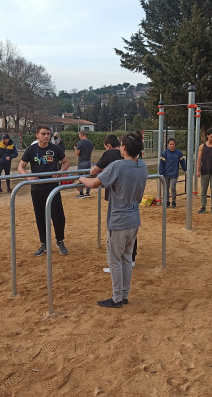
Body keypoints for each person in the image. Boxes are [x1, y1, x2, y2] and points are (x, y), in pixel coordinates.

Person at [79, 130, 148, 308]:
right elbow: (139, 196)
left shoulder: (119, 165)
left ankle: (117, 297)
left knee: (115, 260)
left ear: (123, 148)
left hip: (119, 220)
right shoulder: (143, 167)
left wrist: (81, 178)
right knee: (126, 257)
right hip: (134, 219)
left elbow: (94, 183)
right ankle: (124, 295)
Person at [17, 125, 70, 256]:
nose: (46, 136)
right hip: (37, 188)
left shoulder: (55, 148)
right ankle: (44, 244)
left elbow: (66, 162)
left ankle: (60, 241)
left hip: (52, 187)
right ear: (37, 135)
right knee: (40, 217)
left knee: (58, 217)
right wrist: (28, 177)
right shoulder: (31, 149)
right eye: (43, 134)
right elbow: (21, 166)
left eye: (48, 134)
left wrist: (60, 172)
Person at [90, 134, 138, 269]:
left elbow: (93, 172)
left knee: (116, 227)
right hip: (131, 196)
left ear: (109, 146)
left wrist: (83, 178)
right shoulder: (136, 160)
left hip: (117, 195)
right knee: (129, 228)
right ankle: (131, 257)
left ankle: (115, 264)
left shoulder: (111, 156)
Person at [196, 128, 212, 215]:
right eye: (211, 136)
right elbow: (199, 159)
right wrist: (197, 170)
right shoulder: (202, 146)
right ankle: (203, 206)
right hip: (205, 170)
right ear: (207, 136)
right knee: (203, 190)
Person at [159, 138, 187, 209]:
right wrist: (161, 173)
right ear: (168, 145)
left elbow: (182, 162)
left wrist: (185, 170)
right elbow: (161, 164)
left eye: (173, 144)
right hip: (166, 174)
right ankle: (167, 201)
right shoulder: (165, 153)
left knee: (172, 187)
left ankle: (174, 201)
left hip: (174, 174)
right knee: (166, 188)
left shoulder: (178, 153)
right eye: (170, 144)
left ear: (175, 144)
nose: (172, 145)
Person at [74, 130, 93, 198]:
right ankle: (87, 192)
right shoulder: (90, 142)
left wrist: (76, 149)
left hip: (82, 161)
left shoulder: (80, 143)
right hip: (88, 161)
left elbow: (77, 153)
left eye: (79, 135)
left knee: (81, 177)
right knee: (88, 176)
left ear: (81, 135)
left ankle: (81, 193)